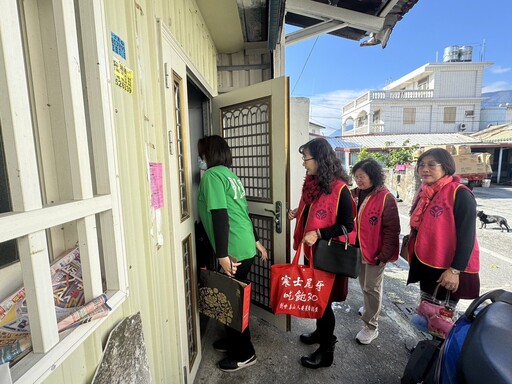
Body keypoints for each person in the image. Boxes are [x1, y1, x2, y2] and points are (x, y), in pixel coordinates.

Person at [197, 135, 268, 372]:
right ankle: (232, 341)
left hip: (233, 249)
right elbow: (243, 212)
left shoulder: (213, 176)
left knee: (233, 302)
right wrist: (257, 240)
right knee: (232, 297)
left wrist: (222, 255)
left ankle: (245, 353)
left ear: (208, 154)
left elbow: (220, 215)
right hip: (244, 245)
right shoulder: (231, 176)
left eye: (201, 154)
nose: (200, 159)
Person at [288, 137, 355, 369]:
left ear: (319, 159)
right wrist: (299, 212)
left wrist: (318, 234)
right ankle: (319, 333)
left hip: (327, 255)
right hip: (311, 252)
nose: (304, 163)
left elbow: (348, 225)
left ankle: (327, 352)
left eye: (305, 158)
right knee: (317, 299)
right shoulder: (313, 183)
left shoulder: (340, 189)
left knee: (323, 304)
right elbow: (317, 212)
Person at [406, 148, 480, 318]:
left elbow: (467, 236)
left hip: (448, 268)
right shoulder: (426, 192)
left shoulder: (460, 193)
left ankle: (441, 344)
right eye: (421, 165)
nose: (425, 169)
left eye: (432, 165)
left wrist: (455, 271)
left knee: (442, 316)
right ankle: (430, 343)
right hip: (429, 262)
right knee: (427, 309)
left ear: (445, 167)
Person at [350, 158, 400, 345]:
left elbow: (392, 229)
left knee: (372, 287)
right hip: (360, 249)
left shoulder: (386, 197)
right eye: (356, 177)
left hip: (376, 253)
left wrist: (384, 254)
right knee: (365, 284)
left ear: (373, 175)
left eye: (362, 176)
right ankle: (368, 307)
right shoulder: (355, 193)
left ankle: (371, 326)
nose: (359, 180)